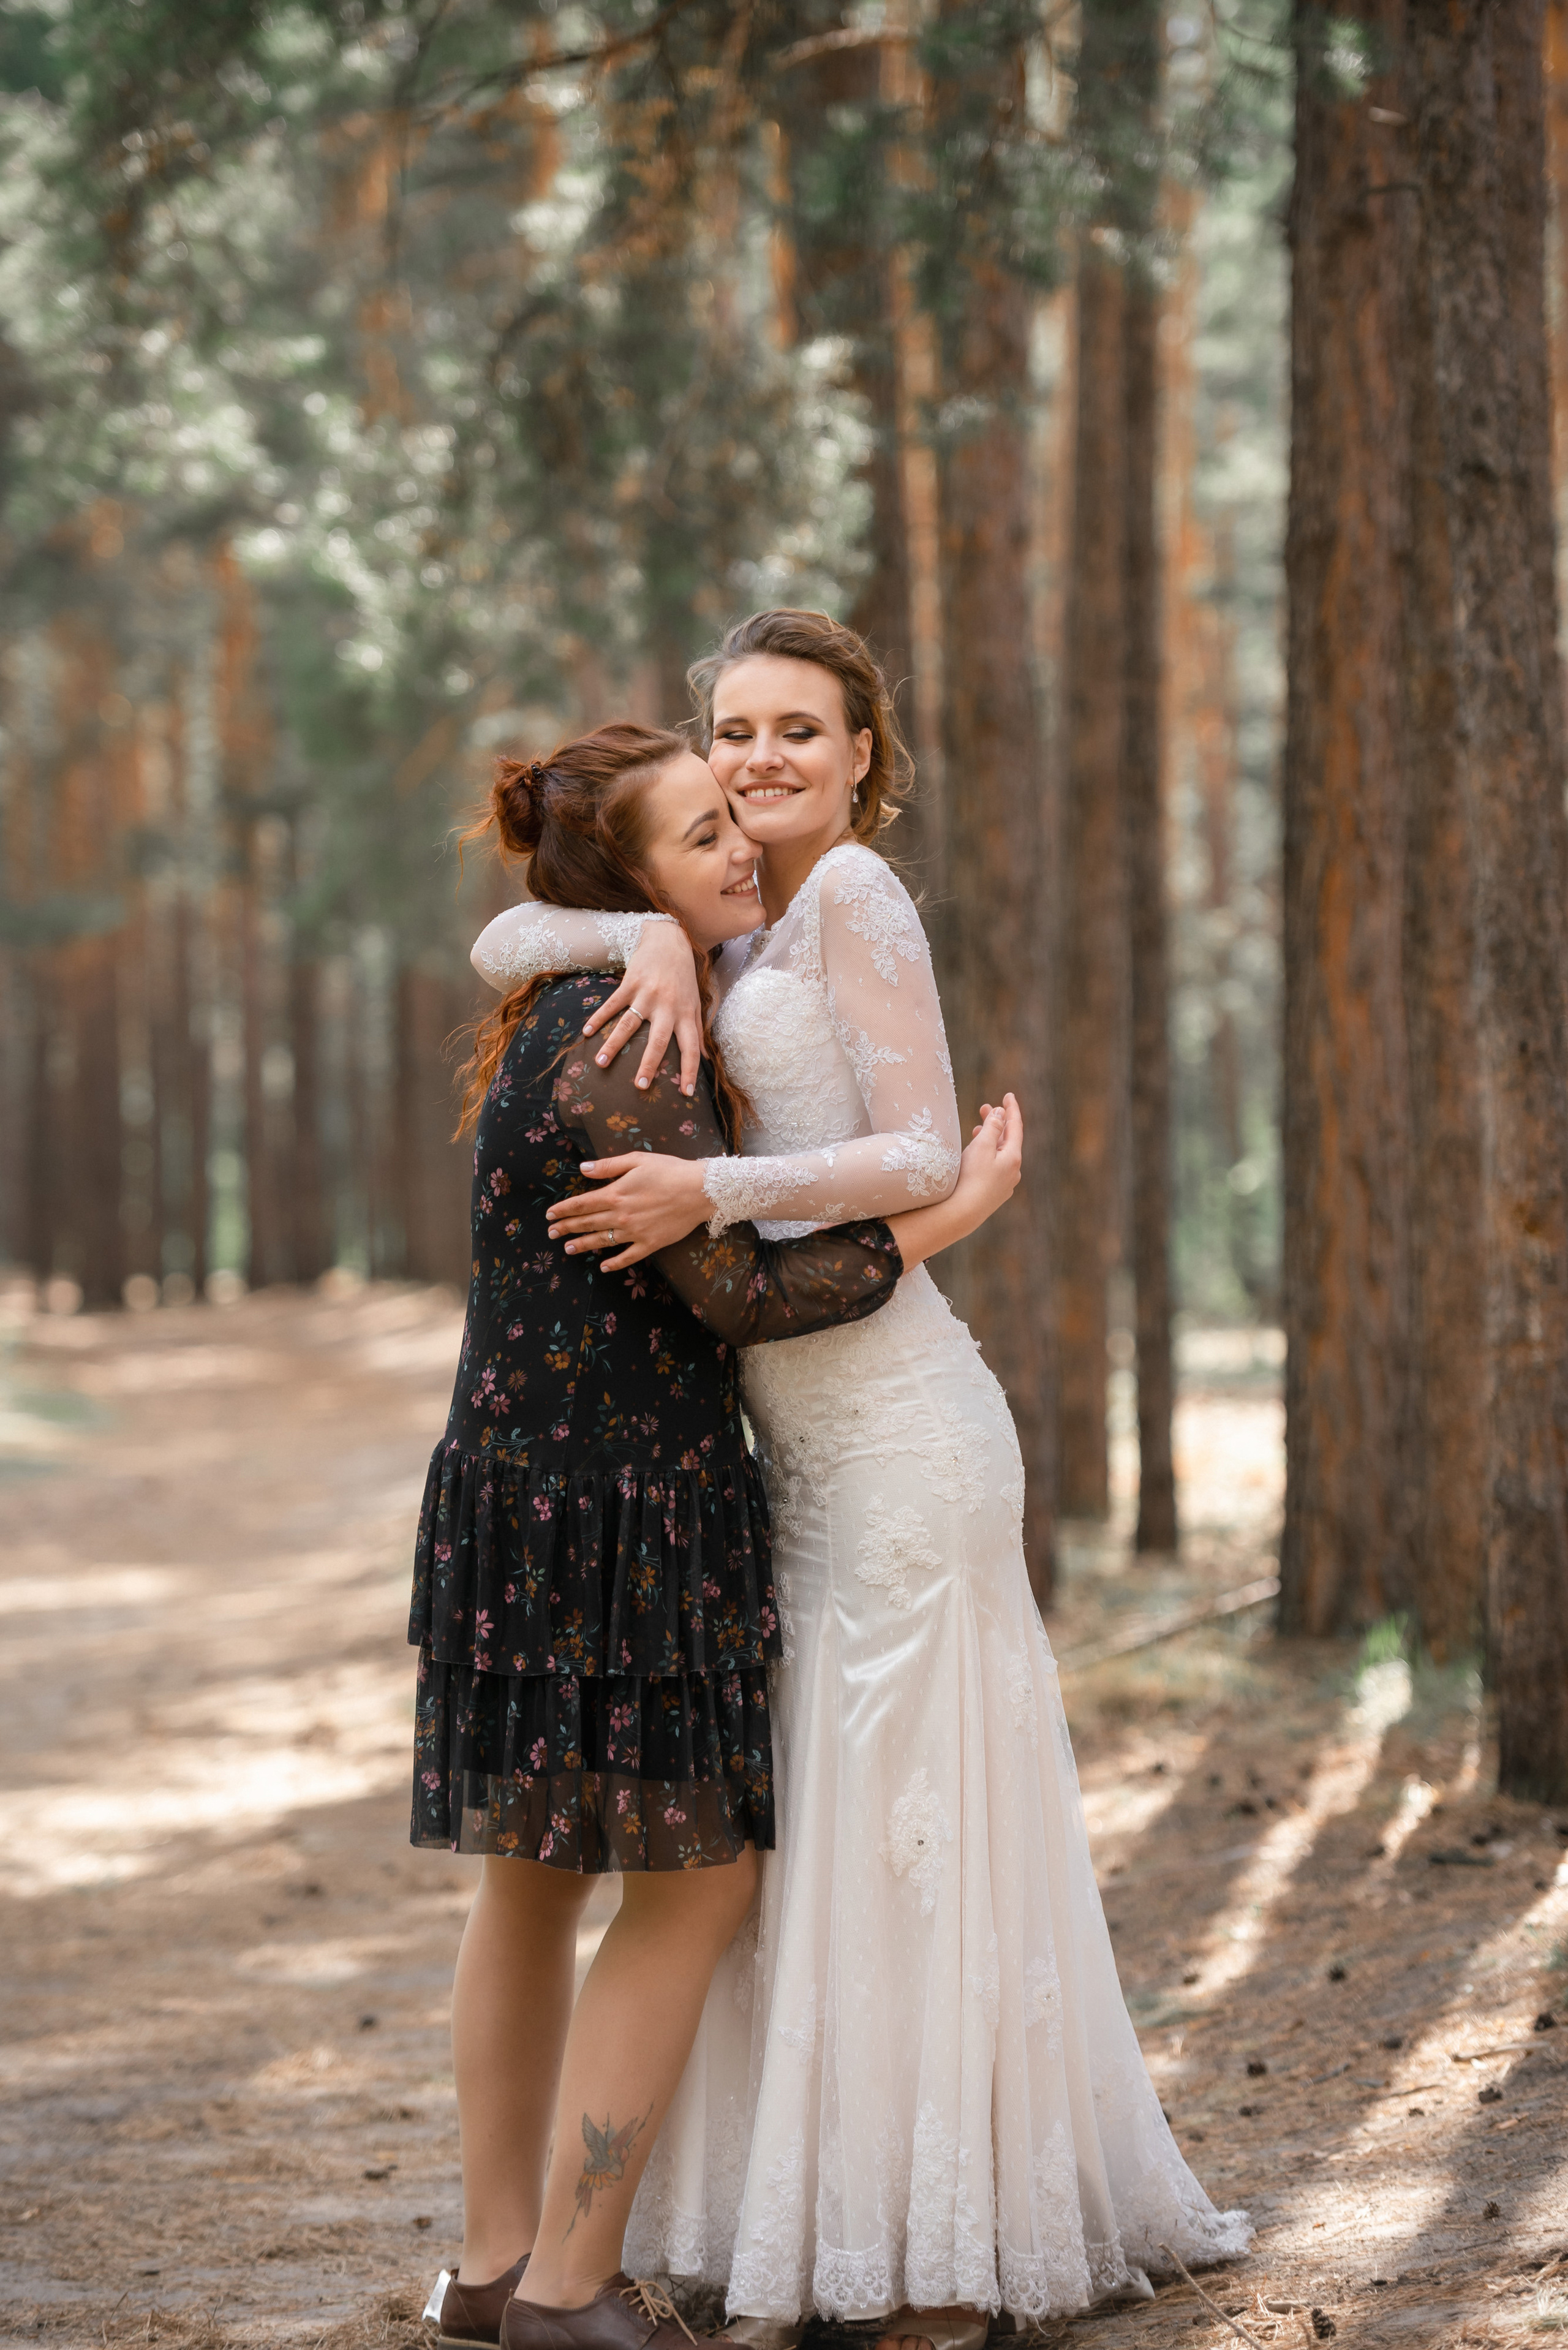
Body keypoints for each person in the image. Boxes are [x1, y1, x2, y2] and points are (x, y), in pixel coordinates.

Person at [470, 611, 1251, 2350]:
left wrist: (719, 1196)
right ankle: (822, 2221)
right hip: (791, 1441)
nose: (759, 759)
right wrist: (630, 934)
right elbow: (500, 923)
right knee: (817, 1828)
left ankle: (948, 2255)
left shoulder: (855, 902)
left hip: (901, 1427)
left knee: (917, 1831)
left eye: (798, 733)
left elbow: (916, 1140)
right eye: (733, 730)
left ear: (863, 754)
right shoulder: (715, 924)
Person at [411, 717, 1025, 2350]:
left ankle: (487, 2266)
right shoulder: (639, 1043)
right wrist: (934, 1226)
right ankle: (571, 2283)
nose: (734, 847)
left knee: (532, 1875)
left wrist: (644, 928)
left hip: (516, 1487)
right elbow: (742, 1292)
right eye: (696, 834)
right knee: (694, 1887)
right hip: (625, 1502)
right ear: (628, 883)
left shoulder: (564, 1004)